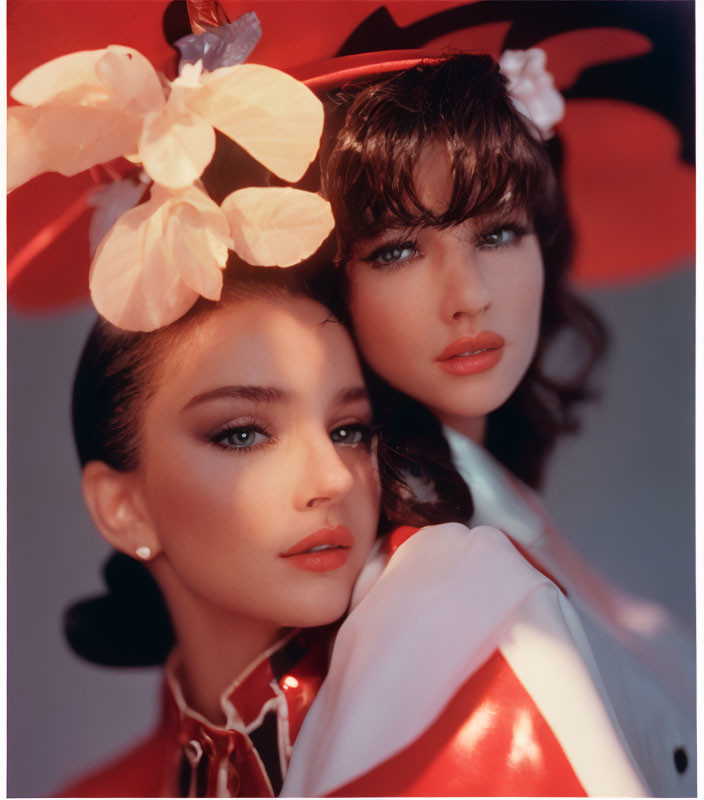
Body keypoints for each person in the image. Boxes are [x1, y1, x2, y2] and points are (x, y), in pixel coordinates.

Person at [304, 52, 695, 796]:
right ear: (327, 282)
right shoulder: (437, 574)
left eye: (498, 234)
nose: (469, 297)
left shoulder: (489, 507)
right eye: (397, 250)